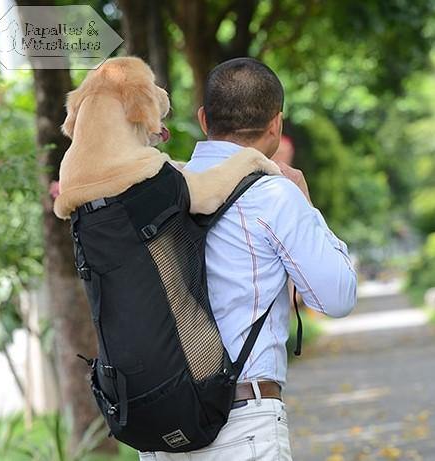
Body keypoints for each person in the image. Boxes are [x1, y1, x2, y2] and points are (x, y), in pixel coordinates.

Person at [144, 58, 357, 461]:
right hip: (243, 424)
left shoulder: (159, 188)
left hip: (161, 432)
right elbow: (338, 297)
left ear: (204, 119)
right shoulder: (274, 195)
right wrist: (306, 204)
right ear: (276, 125)